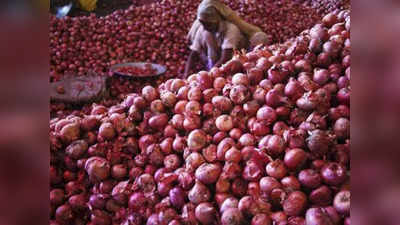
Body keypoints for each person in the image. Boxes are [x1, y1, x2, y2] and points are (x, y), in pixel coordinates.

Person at [184, 0, 270, 78]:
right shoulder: (205, 29)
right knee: (207, 35)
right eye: (203, 24)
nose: (205, 27)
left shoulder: (231, 29)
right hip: (218, 66)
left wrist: (209, 74)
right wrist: (186, 74)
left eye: (208, 24)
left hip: (236, 64)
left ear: (217, 20)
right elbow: (193, 54)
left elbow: (226, 57)